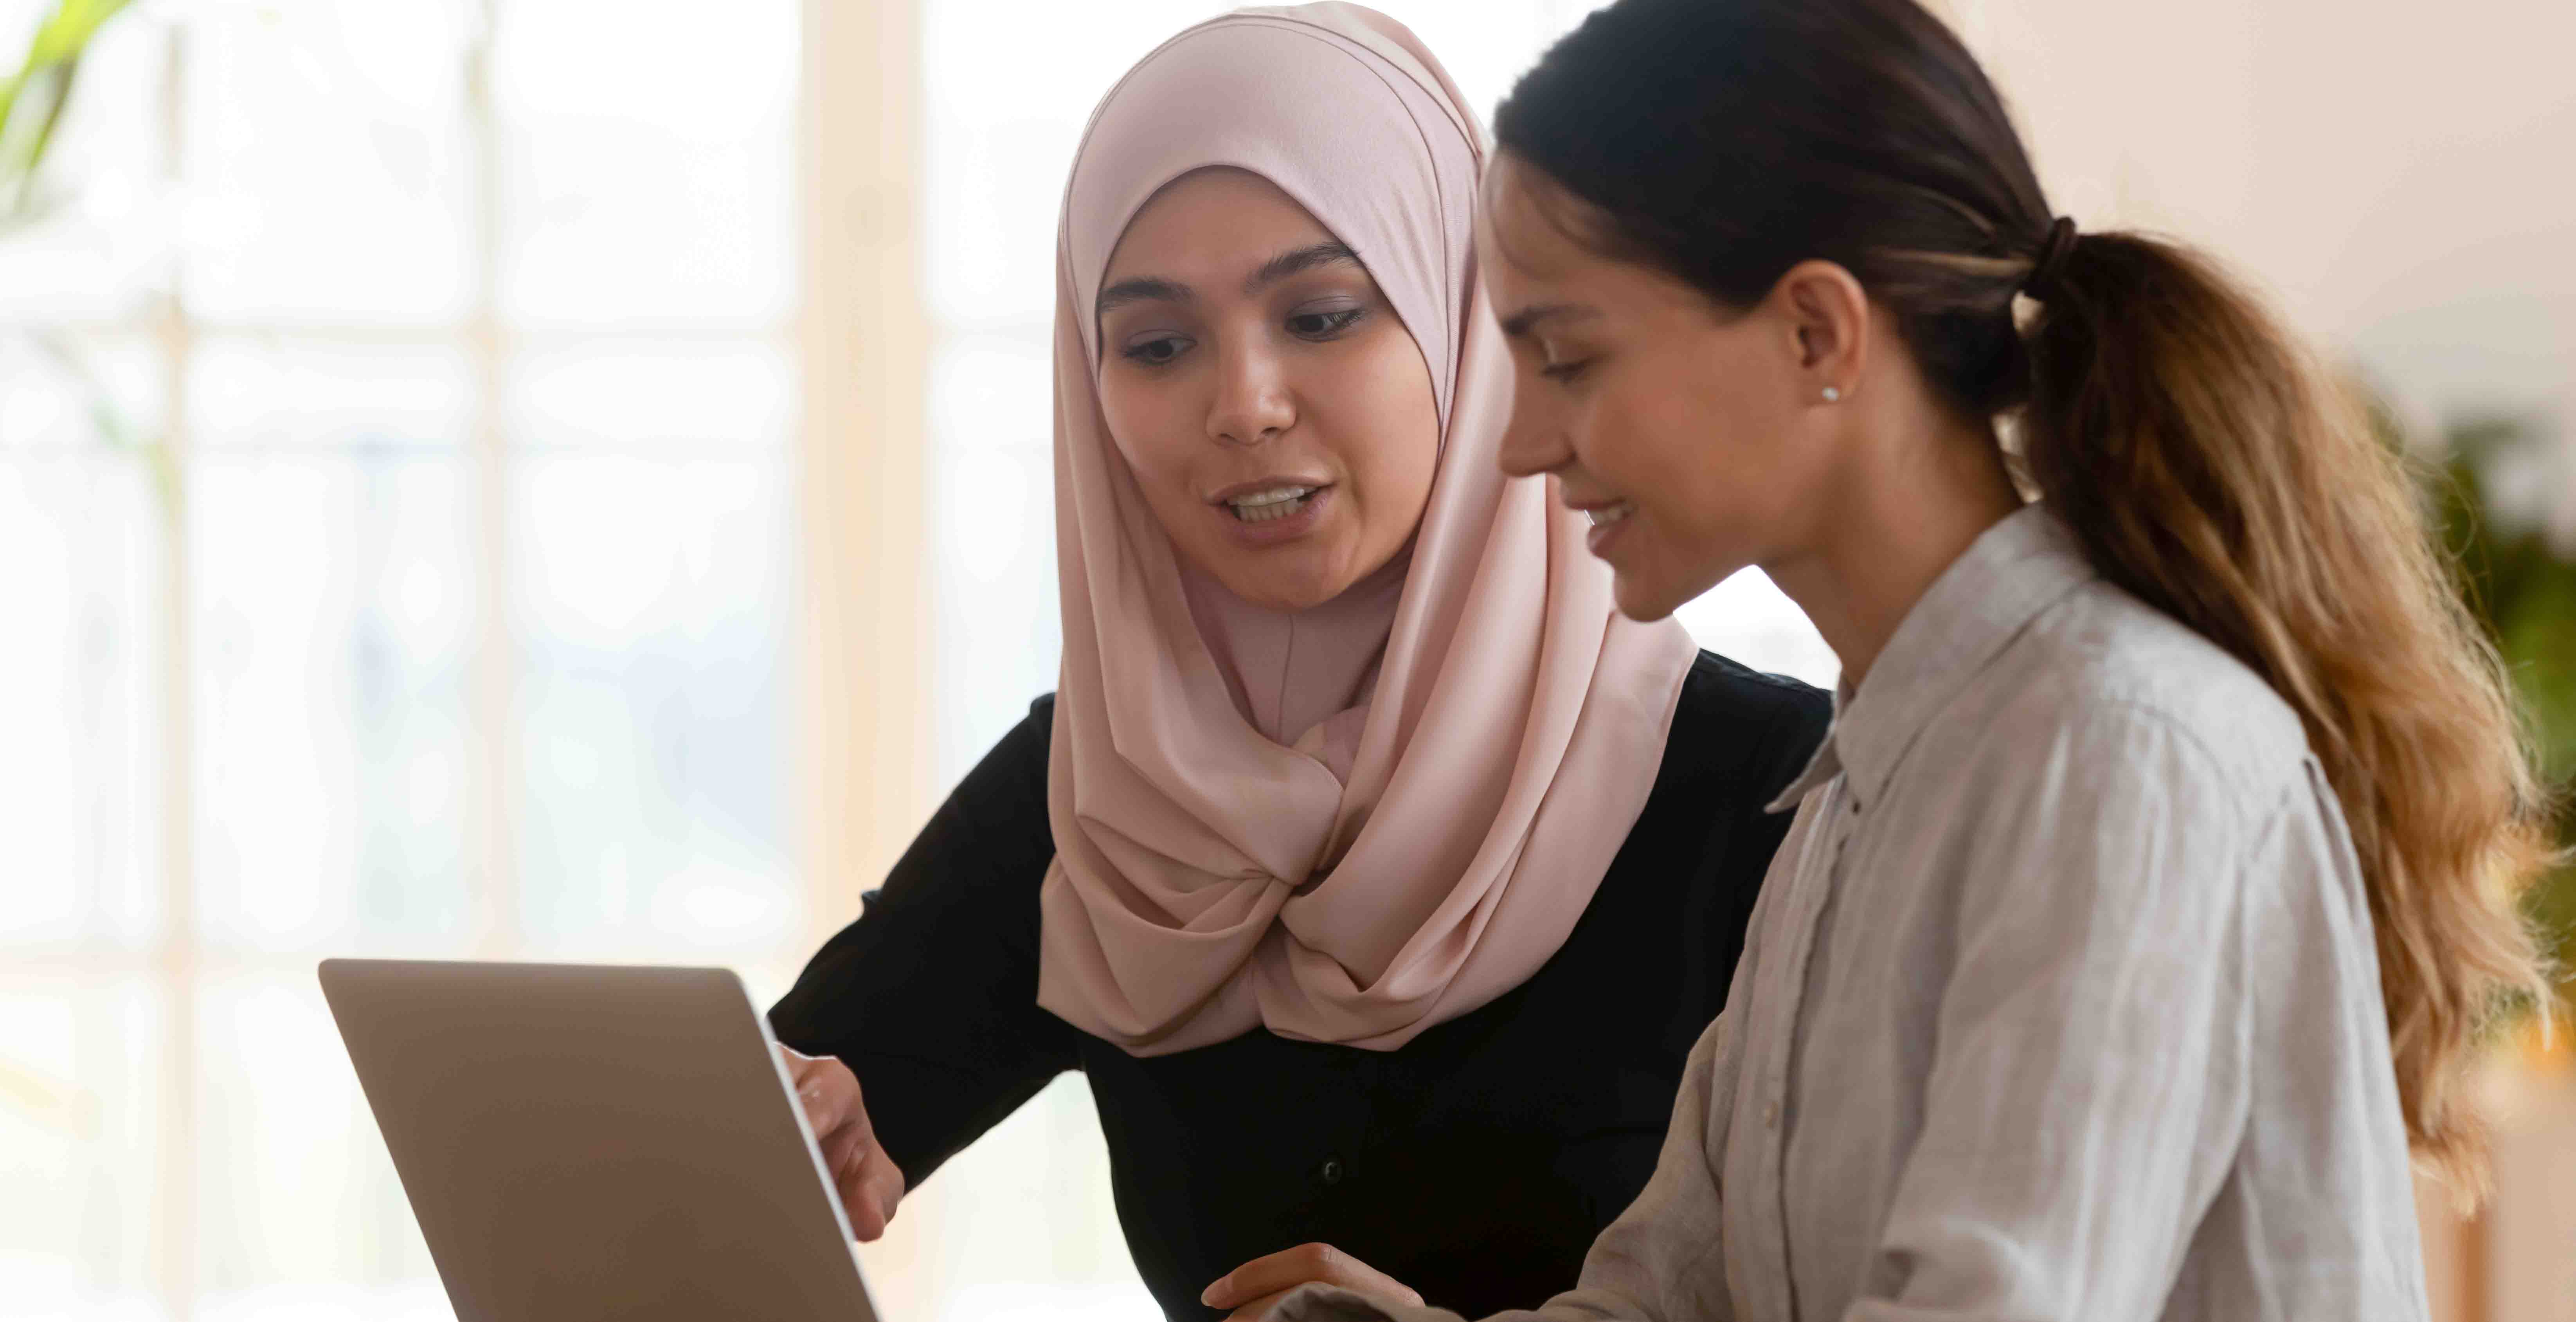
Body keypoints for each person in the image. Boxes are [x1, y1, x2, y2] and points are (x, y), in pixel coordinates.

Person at [1244, 1, 2558, 1319]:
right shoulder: (1856, 793)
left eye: (1569, 357)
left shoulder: (2117, 753)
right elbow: (1676, 1296)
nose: (1522, 441)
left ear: (1818, 332)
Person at [765, 7, 1830, 1320]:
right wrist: (791, 1144)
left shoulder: (1779, 797)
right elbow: (785, 1111)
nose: (1244, 403)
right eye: (1157, 345)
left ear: (1472, 326)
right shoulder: (1106, 785)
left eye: (1323, 315)